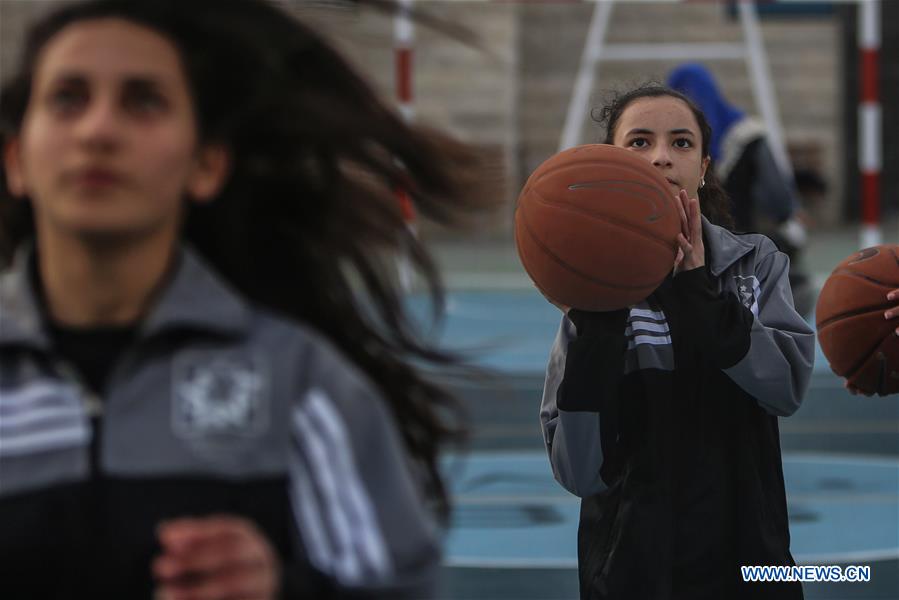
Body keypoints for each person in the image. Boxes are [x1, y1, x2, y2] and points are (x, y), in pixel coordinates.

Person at [0, 1, 494, 598]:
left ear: (206, 164)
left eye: (143, 101)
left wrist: (283, 589)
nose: (98, 130)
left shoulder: (300, 383)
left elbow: (396, 585)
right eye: (68, 98)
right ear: (16, 159)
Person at [539, 84, 815, 600]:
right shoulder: (591, 290)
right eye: (639, 143)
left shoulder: (756, 264)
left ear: (705, 166)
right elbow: (579, 471)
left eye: (681, 143)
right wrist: (597, 327)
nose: (662, 157)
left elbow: (786, 389)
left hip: (752, 569)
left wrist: (698, 294)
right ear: (610, 165)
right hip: (631, 578)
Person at [667, 63, 814, 316]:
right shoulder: (748, 136)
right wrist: (788, 214)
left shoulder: (664, 149)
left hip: (676, 251)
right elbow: (777, 200)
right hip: (742, 253)